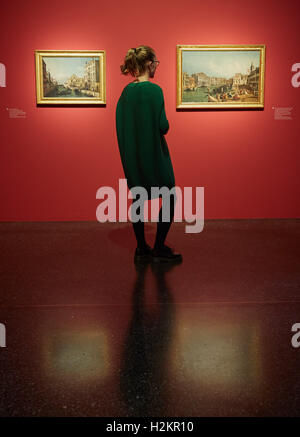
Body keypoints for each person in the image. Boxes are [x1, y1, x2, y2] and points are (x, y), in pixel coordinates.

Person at [115, 45, 182, 263]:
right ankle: (159, 246)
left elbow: (121, 124)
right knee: (170, 195)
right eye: (156, 63)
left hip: (133, 156)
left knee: (138, 197)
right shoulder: (155, 90)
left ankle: (141, 247)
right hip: (155, 155)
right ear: (148, 63)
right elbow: (163, 126)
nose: (156, 67)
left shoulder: (126, 92)